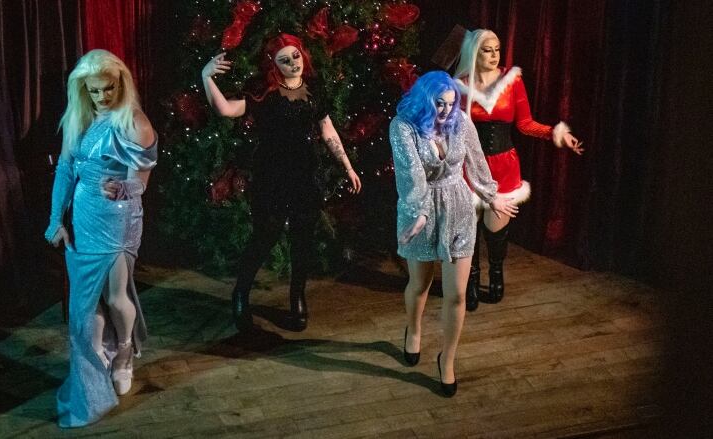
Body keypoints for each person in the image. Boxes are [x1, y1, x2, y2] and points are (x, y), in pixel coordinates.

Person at [201, 33, 362, 332]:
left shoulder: (314, 89)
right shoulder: (264, 94)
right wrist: (206, 76)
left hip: (306, 176)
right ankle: (240, 293)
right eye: (284, 60)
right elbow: (224, 109)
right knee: (264, 237)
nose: (293, 64)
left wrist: (347, 166)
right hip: (272, 177)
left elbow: (328, 131)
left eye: (296, 56)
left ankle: (297, 296)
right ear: (273, 64)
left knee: (303, 241)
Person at [45, 49, 157, 427]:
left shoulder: (134, 123)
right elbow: (64, 169)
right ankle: (94, 366)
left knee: (115, 294)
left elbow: (140, 182)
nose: (101, 98)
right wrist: (54, 218)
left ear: (121, 83)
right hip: (83, 217)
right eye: (94, 91)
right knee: (85, 301)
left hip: (119, 219)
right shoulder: (79, 118)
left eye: (108, 89)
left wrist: (124, 189)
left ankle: (124, 354)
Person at [390, 71, 517, 396]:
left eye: (450, 103)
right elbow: (412, 174)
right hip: (421, 208)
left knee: (457, 294)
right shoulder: (403, 126)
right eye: (439, 104)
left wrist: (492, 195)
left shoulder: (460, 120)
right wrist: (418, 212)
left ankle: (447, 359)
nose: (446, 111)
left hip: (458, 208)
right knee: (420, 284)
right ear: (424, 100)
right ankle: (414, 330)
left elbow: (476, 162)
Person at [453, 29, 584, 311]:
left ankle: (496, 274)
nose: (494, 55)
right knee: (468, 229)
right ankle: (470, 281)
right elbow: (453, 129)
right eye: (487, 49)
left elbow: (525, 123)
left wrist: (556, 134)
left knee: (495, 229)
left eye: (497, 49)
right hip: (470, 166)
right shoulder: (460, 85)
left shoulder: (511, 81)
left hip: (503, 166)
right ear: (474, 52)